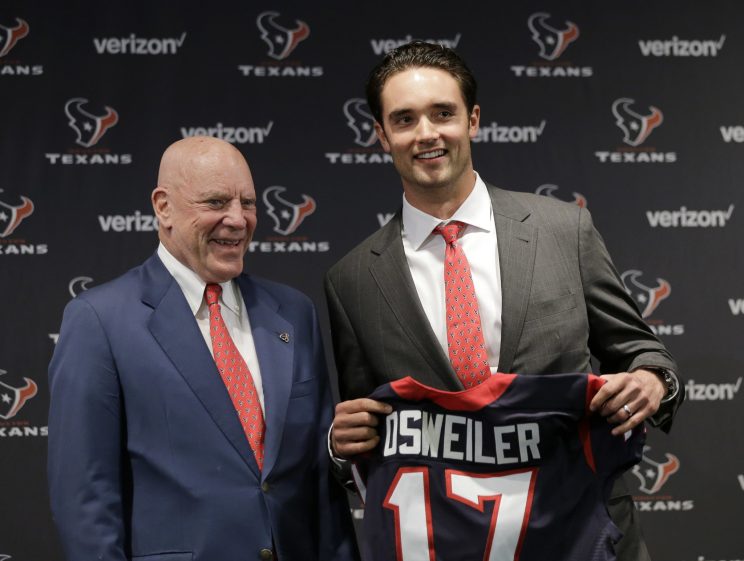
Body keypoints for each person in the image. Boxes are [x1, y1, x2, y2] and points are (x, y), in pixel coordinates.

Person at [325, 42, 682, 560]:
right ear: (381, 135)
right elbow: (368, 437)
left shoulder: (564, 230)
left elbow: (643, 353)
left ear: (472, 120)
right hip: (449, 543)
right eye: (404, 120)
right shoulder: (351, 279)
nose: (426, 133)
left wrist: (653, 381)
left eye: (442, 113)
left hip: (581, 532)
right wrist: (341, 447)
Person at [48, 136, 358, 561]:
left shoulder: (293, 313)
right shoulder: (99, 320)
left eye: (247, 203)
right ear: (163, 207)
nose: (237, 219)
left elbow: (319, 481)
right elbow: (85, 497)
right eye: (215, 202)